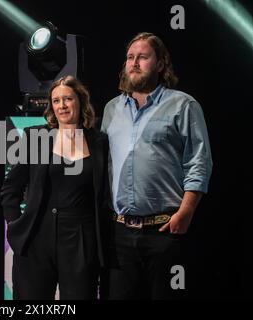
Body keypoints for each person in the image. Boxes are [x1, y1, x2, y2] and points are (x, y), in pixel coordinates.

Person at [100, 32, 213, 299]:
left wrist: (185, 212)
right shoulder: (111, 109)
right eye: (130, 57)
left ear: (160, 64)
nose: (134, 63)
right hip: (119, 235)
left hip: (164, 232)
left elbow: (199, 161)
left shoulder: (183, 105)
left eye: (143, 57)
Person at [0, 75, 109, 299]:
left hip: (81, 240)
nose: (62, 105)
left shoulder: (100, 142)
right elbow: (11, 187)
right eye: (56, 101)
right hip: (36, 236)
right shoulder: (35, 137)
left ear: (80, 101)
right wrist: (14, 223)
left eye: (68, 99)